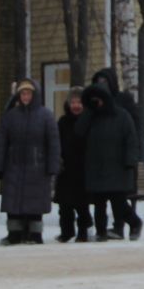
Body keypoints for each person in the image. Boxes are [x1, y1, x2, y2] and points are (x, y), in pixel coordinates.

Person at [0, 79, 60, 244]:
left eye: (28, 93)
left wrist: (53, 166)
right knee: (14, 202)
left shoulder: (46, 115)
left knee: (35, 203)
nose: (25, 96)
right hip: (14, 165)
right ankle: (14, 233)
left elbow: (53, 143)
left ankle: (35, 233)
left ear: (35, 95)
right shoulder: (10, 116)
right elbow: (2, 141)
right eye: (22, 93)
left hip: (37, 166)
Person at [82, 83, 142, 243]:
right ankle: (101, 231)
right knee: (99, 204)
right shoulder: (90, 117)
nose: (97, 103)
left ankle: (135, 223)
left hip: (118, 167)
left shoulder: (122, 116)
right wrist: (88, 111)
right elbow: (79, 133)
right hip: (96, 167)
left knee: (119, 203)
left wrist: (130, 161)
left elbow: (131, 139)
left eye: (99, 100)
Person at [55, 89, 92, 242]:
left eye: (79, 102)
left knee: (81, 203)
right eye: (73, 102)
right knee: (64, 204)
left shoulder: (88, 120)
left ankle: (83, 231)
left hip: (83, 168)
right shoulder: (62, 122)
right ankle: (66, 231)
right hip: (65, 168)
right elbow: (56, 143)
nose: (76, 106)